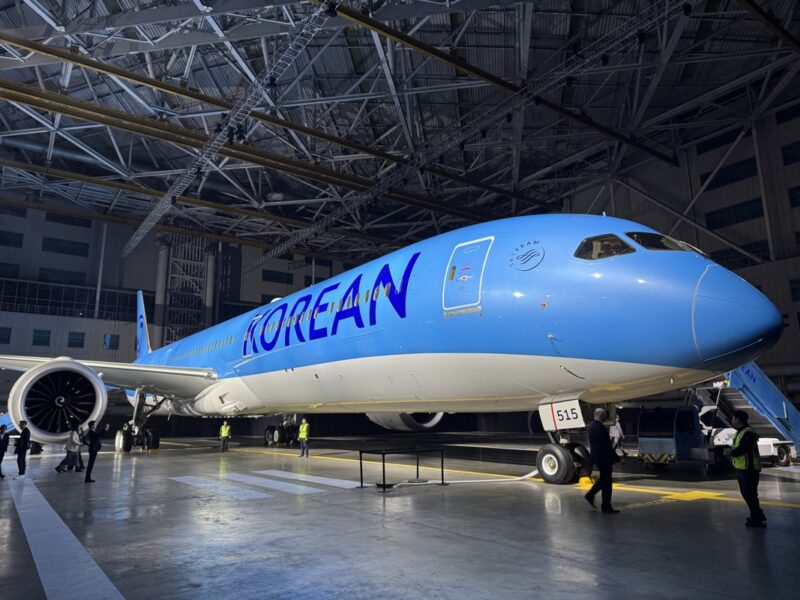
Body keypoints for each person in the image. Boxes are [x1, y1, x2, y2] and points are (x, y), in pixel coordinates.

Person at [730, 410, 766, 528]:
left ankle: (756, 519)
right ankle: (757, 514)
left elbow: (743, 448)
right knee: (747, 493)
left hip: (749, 469)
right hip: (741, 468)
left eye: (733, 418)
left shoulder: (748, 433)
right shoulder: (740, 432)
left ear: (738, 419)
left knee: (750, 494)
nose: (732, 420)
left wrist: (730, 453)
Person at [584, 408, 620, 513]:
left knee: (604, 479)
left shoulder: (592, 426)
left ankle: (593, 496)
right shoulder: (599, 427)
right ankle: (605, 505)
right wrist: (615, 457)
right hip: (604, 458)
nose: (606, 417)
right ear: (601, 416)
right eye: (605, 415)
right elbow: (606, 445)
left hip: (600, 458)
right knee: (607, 482)